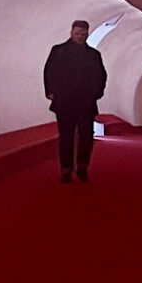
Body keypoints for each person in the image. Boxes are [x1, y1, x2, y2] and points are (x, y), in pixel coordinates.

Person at [43, 19, 108, 183]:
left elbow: (101, 76)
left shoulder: (94, 55)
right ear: (71, 32)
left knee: (87, 135)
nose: (80, 37)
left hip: (86, 101)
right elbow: (49, 72)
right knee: (66, 135)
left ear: (87, 34)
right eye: (77, 34)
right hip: (65, 101)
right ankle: (66, 168)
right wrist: (51, 92)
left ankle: (82, 166)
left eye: (83, 34)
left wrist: (96, 94)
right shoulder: (59, 51)